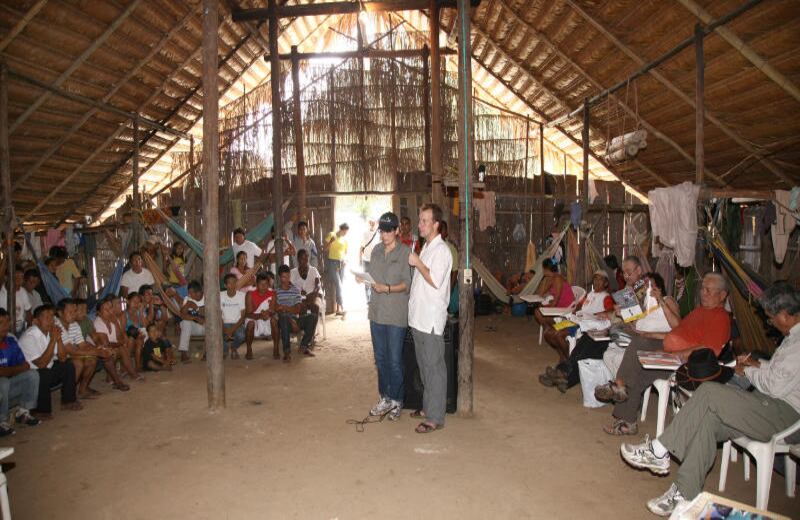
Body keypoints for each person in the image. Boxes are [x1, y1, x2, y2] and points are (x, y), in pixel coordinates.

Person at [619, 281, 800, 517]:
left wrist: (748, 370)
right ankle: (684, 494)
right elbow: (781, 374)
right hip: (769, 405)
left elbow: (774, 385)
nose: (770, 323)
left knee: (708, 392)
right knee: (709, 422)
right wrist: (757, 364)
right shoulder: (792, 338)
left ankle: (659, 450)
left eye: (771, 318)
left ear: (786, 314)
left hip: (784, 414)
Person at [597, 272, 730, 436]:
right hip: (669, 349)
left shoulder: (720, 318)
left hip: (684, 363)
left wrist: (675, 354)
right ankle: (623, 400)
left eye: (708, 290)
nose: (703, 293)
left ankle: (622, 398)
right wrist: (650, 335)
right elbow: (678, 332)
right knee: (639, 345)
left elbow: (709, 350)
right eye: (702, 288)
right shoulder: (699, 311)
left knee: (638, 367)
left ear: (722, 295)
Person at [538, 255, 645, 392]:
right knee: (587, 338)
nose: (626, 276)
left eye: (629, 272)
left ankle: (564, 375)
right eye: (624, 273)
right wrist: (609, 314)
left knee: (591, 346)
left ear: (639, 270)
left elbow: (636, 318)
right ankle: (563, 374)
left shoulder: (643, 289)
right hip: (614, 327)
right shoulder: (628, 289)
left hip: (626, 333)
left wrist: (615, 314)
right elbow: (622, 313)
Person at [362, 212, 412, 421]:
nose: (384, 235)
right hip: (376, 313)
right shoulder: (375, 250)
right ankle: (385, 397)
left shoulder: (405, 252)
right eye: (382, 231)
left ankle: (397, 400)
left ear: (397, 231)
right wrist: (364, 279)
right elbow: (373, 278)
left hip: (395, 315)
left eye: (388, 231)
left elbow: (407, 284)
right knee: (380, 359)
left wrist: (388, 288)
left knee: (394, 361)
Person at [407, 203, 453, 434]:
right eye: (420, 220)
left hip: (431, 319)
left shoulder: (442, 251)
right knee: (424, 367)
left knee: (434, 369)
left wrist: (417, 262)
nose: (420, 224)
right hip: (419, 318)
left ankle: (435, 417)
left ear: (436, 224)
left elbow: (434, 280)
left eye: (424, 221)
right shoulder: (426, 247)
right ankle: (428, 407)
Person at [601, 272, 679, 377]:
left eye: (649, 285)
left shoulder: (667, 300)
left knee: (619, 358)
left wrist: (660, 300)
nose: (646, 288)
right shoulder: (644, 308)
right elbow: (636, 330)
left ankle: (622, 383)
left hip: (659, 341)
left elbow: (677, 326)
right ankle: (622, 384)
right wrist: (623, 315)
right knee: (608, 355)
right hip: (641, 340)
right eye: (643, 285)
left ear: (659, 288)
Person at [19, 304, 82, 418]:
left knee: (68, 365)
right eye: (46, 318)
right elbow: (41, 364)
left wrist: (59, 339)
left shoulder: (49, 332)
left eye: (52, 317)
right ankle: (40, 410)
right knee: (44, 373)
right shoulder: (29, 337)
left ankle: (68, 401)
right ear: (36, 322)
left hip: (47, 369)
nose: (51, 321)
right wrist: (53, 340)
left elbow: (62, 358)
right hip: (32, 375)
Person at [542, 270, 615, 362]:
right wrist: (575, 310)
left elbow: (611, 311)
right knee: (548, 333)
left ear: (606, 283)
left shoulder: (606, 297)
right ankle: (564, 357)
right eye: (595, 279)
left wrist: (599, 314)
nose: (596, 282)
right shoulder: (590, 294)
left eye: (600, 279)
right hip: (575, 321)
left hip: (584, 326)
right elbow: (579, 305)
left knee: (558, 335)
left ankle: (569, 361)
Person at [0, 308, 41, 436]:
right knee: (3, 382)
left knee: (32, 374)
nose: (6, 326)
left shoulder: (10, 340)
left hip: (7, 389)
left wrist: (8, 371)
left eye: (7, 321)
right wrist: (12, 371)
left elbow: (25, 365)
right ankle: (2, 421)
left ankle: (23, 412)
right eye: (1, 322)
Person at [55, 299, 101, 400]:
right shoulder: (56, 325)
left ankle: (82, 389)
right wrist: (97, 352)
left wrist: (97, 351)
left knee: (92, 359)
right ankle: (68, 396)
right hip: (56, 359)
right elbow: (70, 350)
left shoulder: (74, 324)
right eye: (70, 312)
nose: (73, 314)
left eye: (75, 311)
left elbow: (82, 345)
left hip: (69, 355)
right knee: (78, 363)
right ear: (60, 313)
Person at [274, 264, 318, 361]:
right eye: (284, 277)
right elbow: (277, 309)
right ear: (280, 277)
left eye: (288, 276)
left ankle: (303, 346)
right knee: (283, 317)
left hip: (295, 319)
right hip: (283, 321)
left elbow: (298, 309)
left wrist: (286, 308)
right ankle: (287, 352)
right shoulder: (276, 292)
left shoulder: (295, 290)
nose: (287, 279)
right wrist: (290, 316)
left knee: (313, 317)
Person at [94, 296, 139, 384]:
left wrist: (115, 322)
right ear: (99, 313)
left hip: (111, 347)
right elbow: (106, 344)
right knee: (116, 351)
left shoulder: (113, 320)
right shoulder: (98, 322)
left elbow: (119, 337)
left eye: (110, 308)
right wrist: (120, 343)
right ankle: (112, 377)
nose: (109, 311)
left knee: (121, 349)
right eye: (106, 310)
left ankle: (132, 374)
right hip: (99, 349)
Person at [533, 258, 575, 331]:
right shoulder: (551, 278)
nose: (542, 270)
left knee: (539, 312)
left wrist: (548, 308)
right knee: (539, 309)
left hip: (566, 306)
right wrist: (545, 280)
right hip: (560, 302)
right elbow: (541, 293)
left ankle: (550, 329)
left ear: (546, 269)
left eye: (542, 268)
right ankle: (551, 328)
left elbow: (556, 299)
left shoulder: (557, 278)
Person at [245, 272, 278, 360]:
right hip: (254, 319)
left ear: (269, 284)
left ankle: (276, 348)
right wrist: (260, 315)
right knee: (250, 324)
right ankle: (249, 349)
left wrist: (268, 313)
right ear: (256, 284)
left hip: (267, 318)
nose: (263, 286)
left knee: (274, 321)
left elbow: (273, 310)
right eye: (261, 284)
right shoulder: (250, 294)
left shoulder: (273, 293)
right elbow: (248, 314)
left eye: (266, 284)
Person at [324, 223, 349, 317]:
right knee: (338, 285)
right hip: (332, 263)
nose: (345, 234)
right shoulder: (332, 235)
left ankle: (338, 310)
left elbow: (345, 253)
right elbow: (325, 249)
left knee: (340, 285)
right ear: (341, 229)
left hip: (342, 263)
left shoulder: (345, 240)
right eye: (345, 232)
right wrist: (331, 241)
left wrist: (345, 260)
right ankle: (342, 307)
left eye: (346, 232)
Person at [221, 273, 247, 359]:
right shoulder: (220, 295)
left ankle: (233, 347)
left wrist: (231, 330)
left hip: (237, 323)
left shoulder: (241, 295)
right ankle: (225, 349)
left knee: (241, 336)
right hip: (224, 323)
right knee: (220, 333)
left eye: (234, 282)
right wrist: (225, 329)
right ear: (225, 285)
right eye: (229, 283)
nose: (232, 285)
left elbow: (243, 317)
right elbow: (219, 316)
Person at [0, 266, 32, 335]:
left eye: (21, 277)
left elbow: (28, 311)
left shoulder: (22, 291)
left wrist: (29, 329)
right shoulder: (1, 294)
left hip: (21, 329)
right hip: (4, 332)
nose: (19, 280)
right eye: (16, 277)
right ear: (6, 277)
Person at [178, 281, 205, 363]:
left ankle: (207, 353)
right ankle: (183, 352)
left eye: (191, 293)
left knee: (211, 324)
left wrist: (196, 308)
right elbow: (182, 315)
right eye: (189, 293)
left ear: (198, 293)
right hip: (193, 328)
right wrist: (194, 318)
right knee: (185, 322)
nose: (189, 295)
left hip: (206, 327)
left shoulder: (207, 298)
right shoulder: (188, 299)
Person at [290, 249, 323, 316]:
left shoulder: (313, 270)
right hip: (299, 297)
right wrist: (299, 292)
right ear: (298, 259)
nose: (305, 261)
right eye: (303, 259)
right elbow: (290, 286)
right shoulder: (293, 272)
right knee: (302, 307)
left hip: (313, 295)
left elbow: (318, 285)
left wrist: (313, 293)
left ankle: (313, 322)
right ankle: (303, 322)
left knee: (315, 306)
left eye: (306, 258)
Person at [360, 218, 379, 303]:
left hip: (375, 260)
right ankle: (369, 299)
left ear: (376, 224)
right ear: (368, 223)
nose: (372, 224)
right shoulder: (365, 233)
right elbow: (361, 247)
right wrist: (360, 259)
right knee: (367, 280)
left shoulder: (378, 234)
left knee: (375, 279)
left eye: (373, 223)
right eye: (370, 222)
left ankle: (373, 298)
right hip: (366, 260)